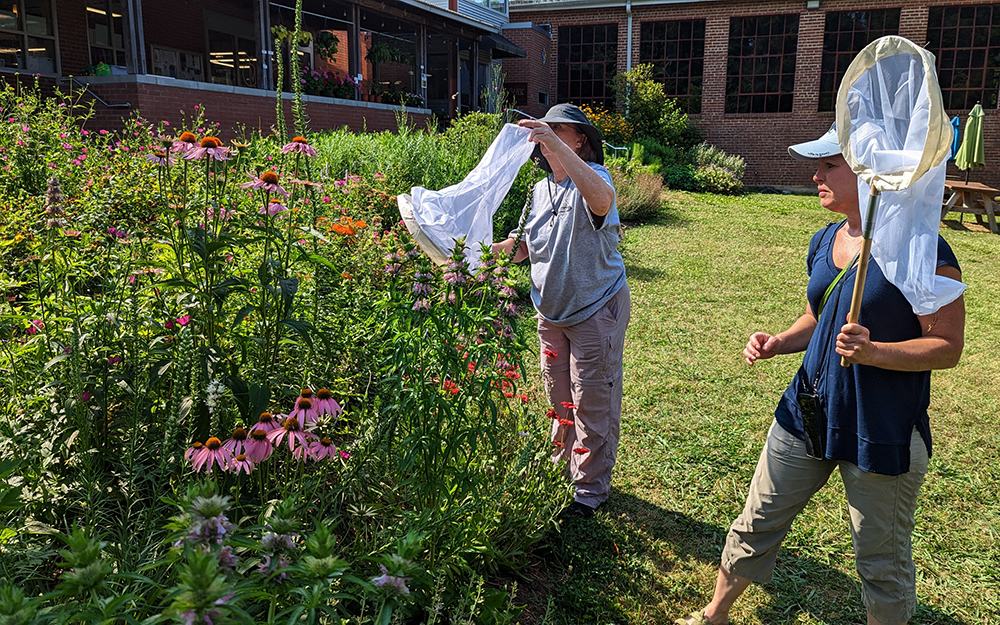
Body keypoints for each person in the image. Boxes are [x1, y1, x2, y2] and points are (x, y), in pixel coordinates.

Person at [676, 125, 966, 625]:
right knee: (757, 521)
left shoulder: (924, 250)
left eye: (830, 165)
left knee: (881, 560)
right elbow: (819, 315)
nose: (816, 175)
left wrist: (874, 351)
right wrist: (780, 343)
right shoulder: (827, 237)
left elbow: (946, 346)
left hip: (881, 428)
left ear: (872, 176)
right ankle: (715, 613)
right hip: (808, 410)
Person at [492, 103, 630, 518]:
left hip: (594, 308)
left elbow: (603, 201)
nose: (546, 134)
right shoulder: (539, 191)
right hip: (550, 312)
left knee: (592, 400)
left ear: (579, 140)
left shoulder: (595, 179)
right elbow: (524, 248)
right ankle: (561, 470)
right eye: (544, 129)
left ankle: (589, 491)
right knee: (559, 398)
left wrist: (554, 144)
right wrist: (479, 251)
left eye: (558, 129)